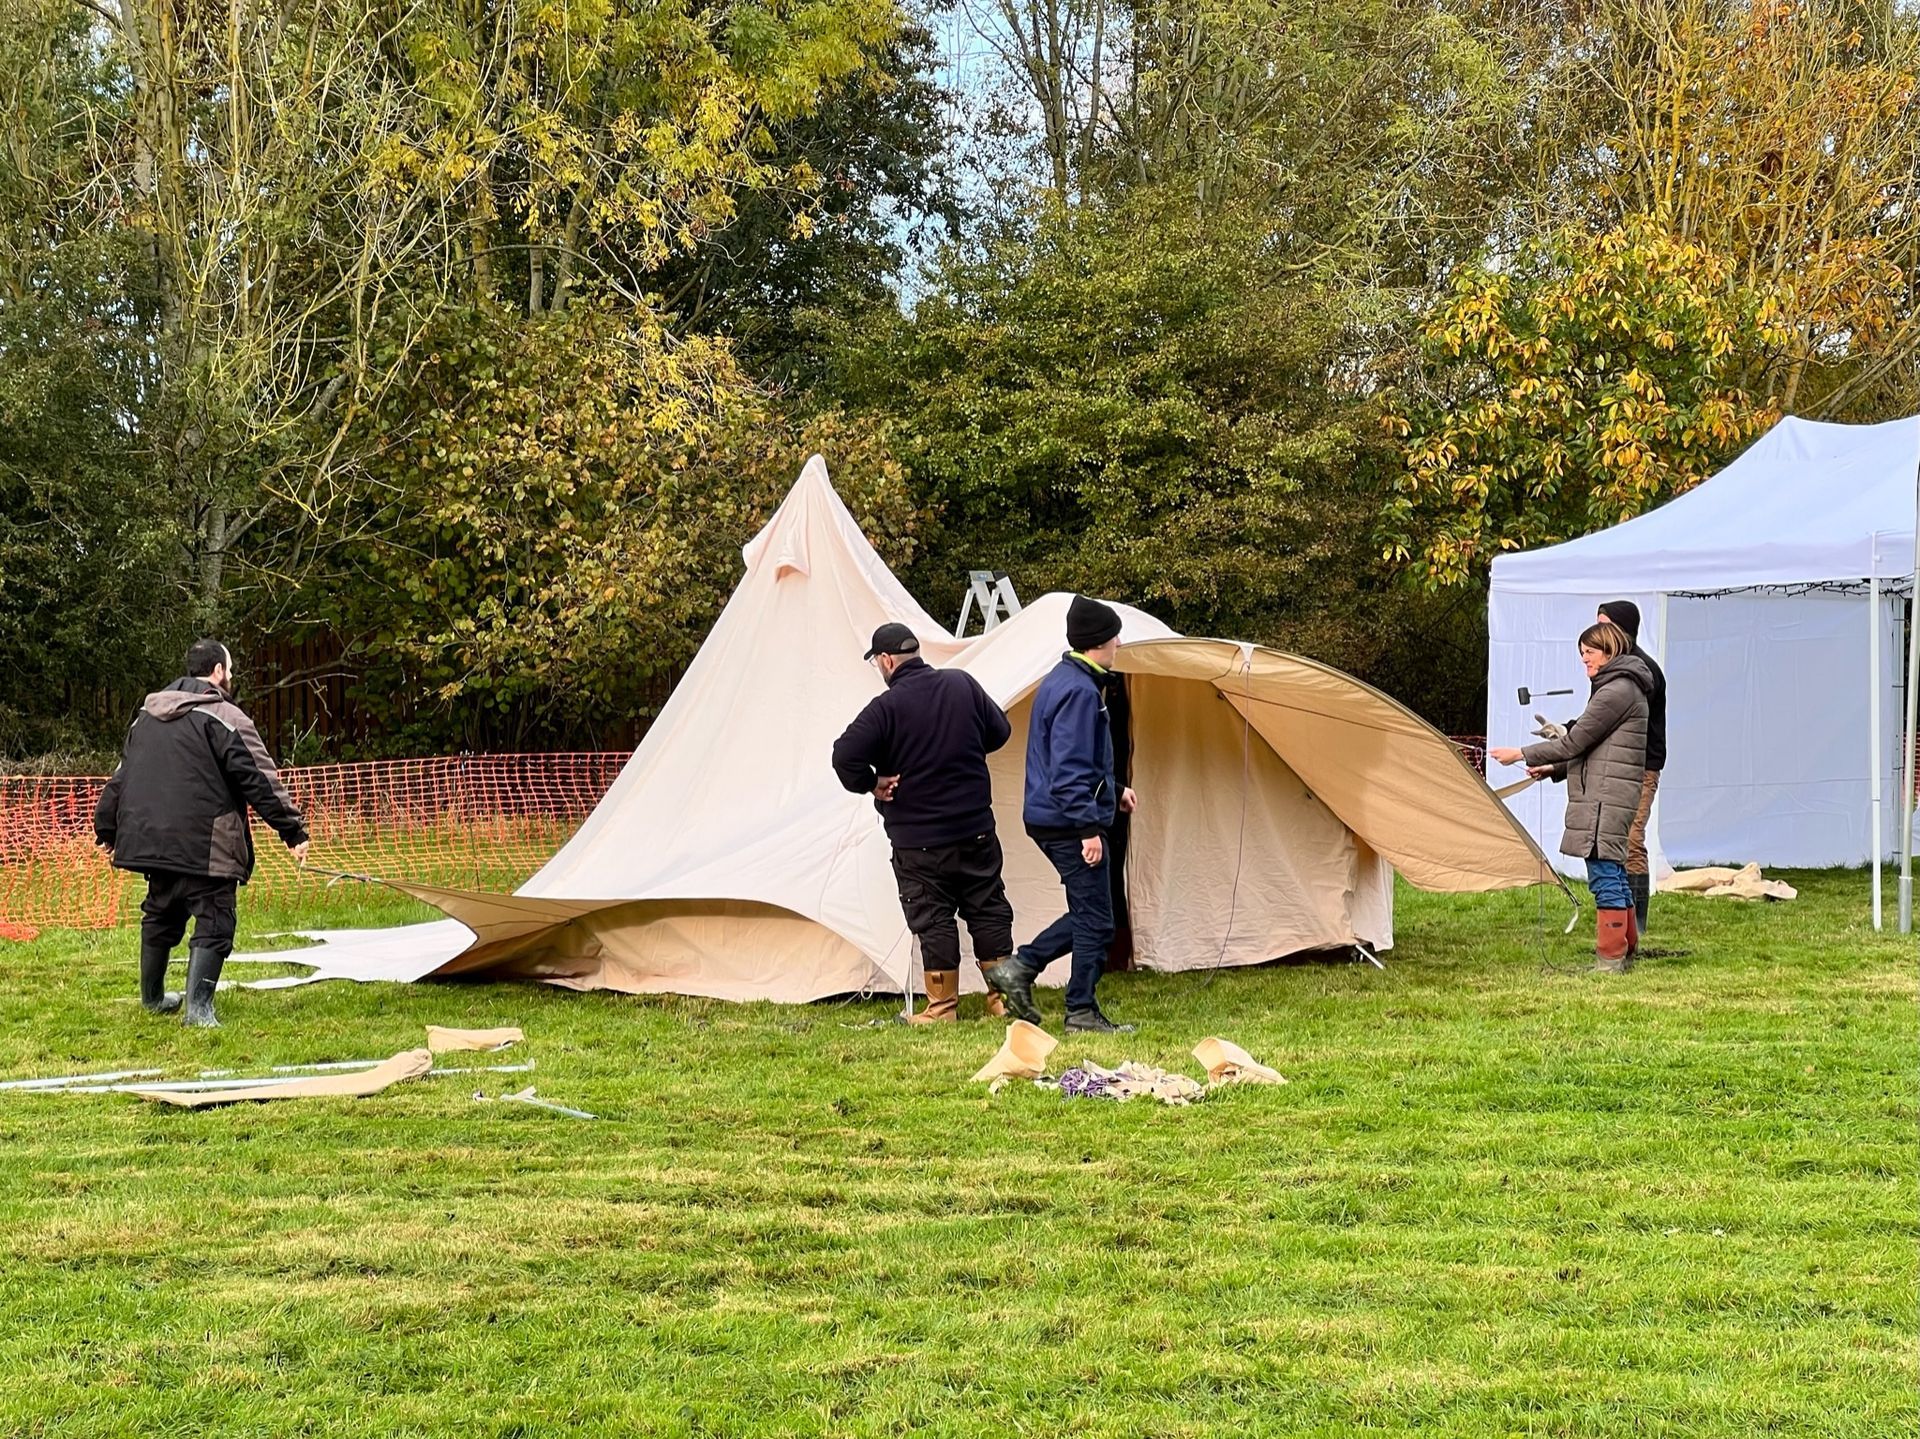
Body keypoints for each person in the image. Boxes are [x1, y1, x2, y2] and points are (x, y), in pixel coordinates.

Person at [94, 640, 310, 1026]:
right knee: (215, 920)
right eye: (229, 670)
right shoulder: (225, 715)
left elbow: (122, 777)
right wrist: (292, 830)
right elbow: (258, 778)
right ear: (217, 672)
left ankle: (154, 999)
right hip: (207, 846)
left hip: (152, 843)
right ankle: (198, 1010)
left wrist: (106, 827)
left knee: (160, 914)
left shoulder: (146, 716)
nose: (231, 677)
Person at [832, 622, 1021, 1024]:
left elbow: (843, 756)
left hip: (919, 841)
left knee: (933, 918)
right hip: (976, 831)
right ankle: (1005, 1001)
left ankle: (942, 1010)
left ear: (885, 661)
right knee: (988, 909)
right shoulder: (962, 685)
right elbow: (1000, 731)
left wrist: (873, 783)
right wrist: (964, 747)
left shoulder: (886, 708)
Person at [985, 595, 1139, 1032]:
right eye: (1114, 637)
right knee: (1096, 919)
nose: (1119, 643)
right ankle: (1080, 1010)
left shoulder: (1068, 679)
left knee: (1092, 914)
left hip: (1057, 816)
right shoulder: (1077, 691)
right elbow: (1069, 770)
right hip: (1067, 822)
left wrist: (1116, 789)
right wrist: (1088, 828)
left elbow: (1077, 761)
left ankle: (1021, 969)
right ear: (1098, 642)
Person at [1490, 622, 1652, 973]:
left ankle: (1610, 959)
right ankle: (1625, 950)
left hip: (1605, 797)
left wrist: (1521, 753)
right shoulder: (1618, 688)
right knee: (1613, 868)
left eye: (1589, 654)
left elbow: (1577, 740)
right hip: (1608, 792)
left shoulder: (1617, 691)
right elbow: (1594, 746)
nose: (1585, 662)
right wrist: (1555, 769)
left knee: (1604, 871)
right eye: (1582, 655)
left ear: (1609, 651)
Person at [1596, 600, 1667, 937]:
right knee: (1617, 839)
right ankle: (1625, 924)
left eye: (1604, 624)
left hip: (1640, 767)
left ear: (1622, 629)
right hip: (1620, 765)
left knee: (1631, 838)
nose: (1598, 632)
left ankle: (1636, 926)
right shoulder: (1616, 669)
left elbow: (1616, 719)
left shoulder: (1640, 672)